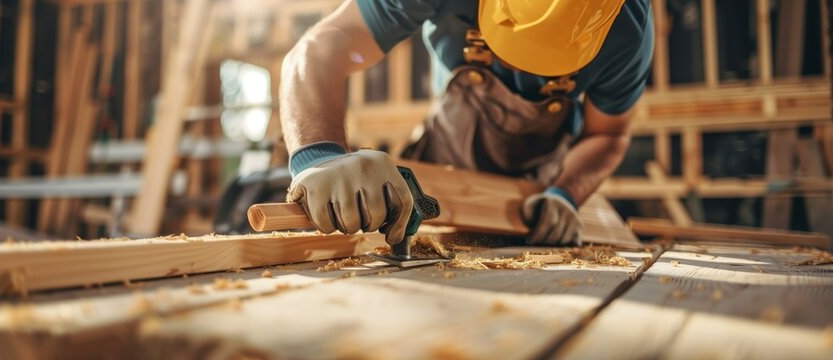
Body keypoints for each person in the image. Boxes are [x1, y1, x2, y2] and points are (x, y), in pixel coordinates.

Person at [280, 0, 653, 246]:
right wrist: (320, 153)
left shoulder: (628, 30)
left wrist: (566, 193)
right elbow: (323, 45)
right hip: (443, 156)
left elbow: (608, 134)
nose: (520, 68)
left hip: (531, 196)